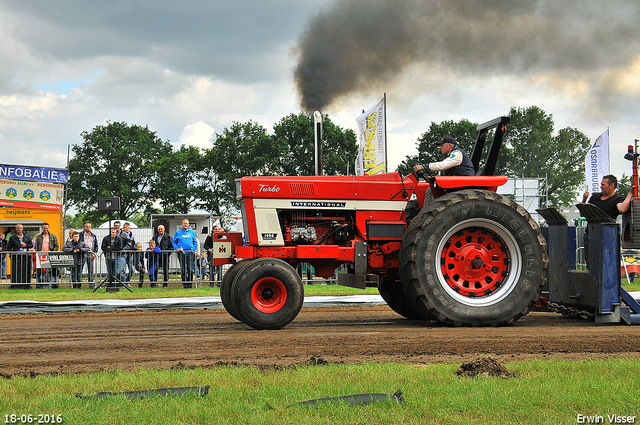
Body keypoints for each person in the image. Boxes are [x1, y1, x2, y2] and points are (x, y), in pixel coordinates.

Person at [173, 219, 198, 288]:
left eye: (187, 223)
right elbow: (174, 242)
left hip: (190, 253)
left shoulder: (192, 232)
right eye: (184, 223)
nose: (185, 225)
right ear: (182, 224)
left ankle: (190, 283)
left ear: (189, 224)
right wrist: (176, 248)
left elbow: (195, 242)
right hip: (181, 254)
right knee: (183, 269)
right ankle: (184, 284)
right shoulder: (178, 232)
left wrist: (192, 249)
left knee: (190, 269)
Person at [34, 223, 60, 288]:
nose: (45, 229)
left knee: (49, 272)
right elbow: (36, 246)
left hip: (49, 255)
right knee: (40, 271)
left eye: (47, 228)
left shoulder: (53, 236)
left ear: (48, 228)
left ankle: (49, 285)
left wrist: (52, 252)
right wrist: (38, 251)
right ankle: (39, 285)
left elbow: (56, 246)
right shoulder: (39, 237)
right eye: (44, 228)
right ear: (42, 228)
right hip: (41, 255)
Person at [79, 222, 98, 288]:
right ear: (84, 227)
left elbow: (96, 246)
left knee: (91, 270)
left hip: (90, 254)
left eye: (89, 226)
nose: (88, 227)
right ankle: (79, 285)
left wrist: (94, 254)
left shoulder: (93, 236)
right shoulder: (80, 235)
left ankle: (91, 285)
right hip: (82, 254)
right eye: (87, 226)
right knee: (80, 269)